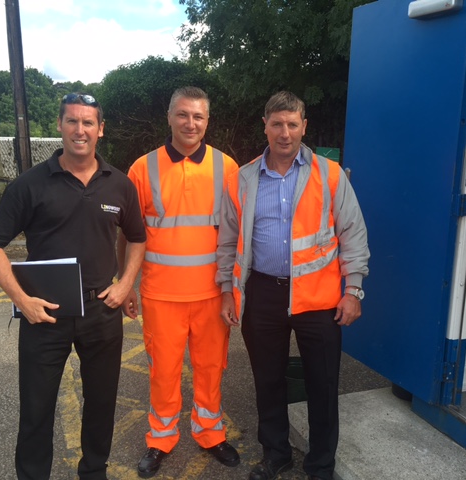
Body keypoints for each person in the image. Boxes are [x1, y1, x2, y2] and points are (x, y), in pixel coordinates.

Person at [0, 93, 147, 480]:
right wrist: (22, 300)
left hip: (101, 313)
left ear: (100, 130)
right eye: (72, 121)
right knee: (37, 409)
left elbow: (138, 238)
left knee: (102, 403)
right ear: (59, 126)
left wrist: (125, 284)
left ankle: (93, 471)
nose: (80, 130)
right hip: (45, 315)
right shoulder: (30, 185)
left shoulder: (119, 185)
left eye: (88, 123)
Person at [216, 91, 370, 480]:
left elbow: (353, 232)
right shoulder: (244, 178)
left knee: (322, 383)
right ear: (264, 126)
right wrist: (226, 291)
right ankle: (276, 454)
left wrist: (353, 290)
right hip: (263, 293)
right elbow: (228, 240)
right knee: (267, 380)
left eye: (292, 124)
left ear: (304, 126)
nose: (285, 133)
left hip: (319, 297)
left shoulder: (329, 173)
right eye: (277, 124)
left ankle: (320, 464)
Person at [118, 86, 240, 478]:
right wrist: (127, 283)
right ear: (169, 117)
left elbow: (236, 235)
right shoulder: (142, 169)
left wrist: (232, 290)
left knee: (210, 368)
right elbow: (129, 233)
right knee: (163, 371)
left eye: (198, 116)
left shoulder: (227, 168)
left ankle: (210, 433)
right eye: (183, 115)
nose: (191, 123)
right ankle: (161, 440)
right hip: (160, 295)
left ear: (207, 122)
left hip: (211, 295)